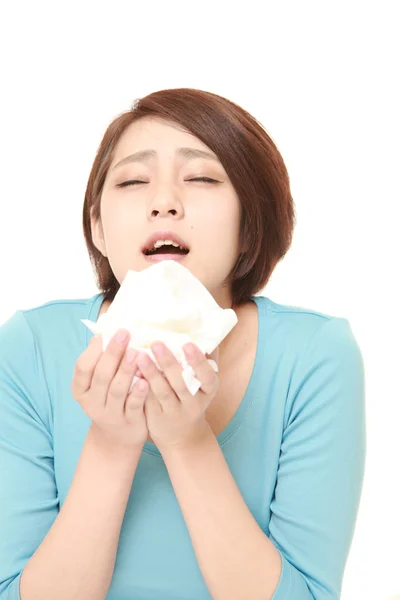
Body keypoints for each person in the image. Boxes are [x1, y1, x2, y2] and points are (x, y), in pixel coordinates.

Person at [0, 88, 366, 600]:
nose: (165, 202)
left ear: (249, 226)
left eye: (201, 178)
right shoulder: (29, 348)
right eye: (132, 180)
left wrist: (186, 441)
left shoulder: (316, 354)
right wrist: (111, 442)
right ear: (97, 227)